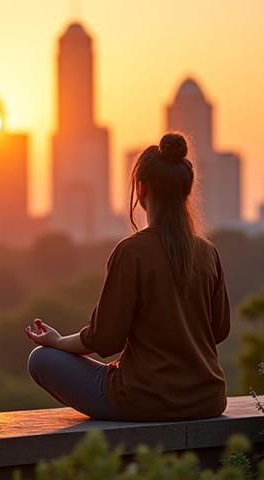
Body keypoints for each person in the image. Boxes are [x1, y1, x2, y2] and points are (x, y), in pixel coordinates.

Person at [25, 133, 230, 422]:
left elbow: (105, 338)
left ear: (141, 188)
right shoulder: (208, 252)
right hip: (207, 399)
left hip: (145, 400)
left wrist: (57, 342)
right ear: (186, 191)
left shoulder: (132, 252)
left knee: (41, 360)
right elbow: (219, 330)